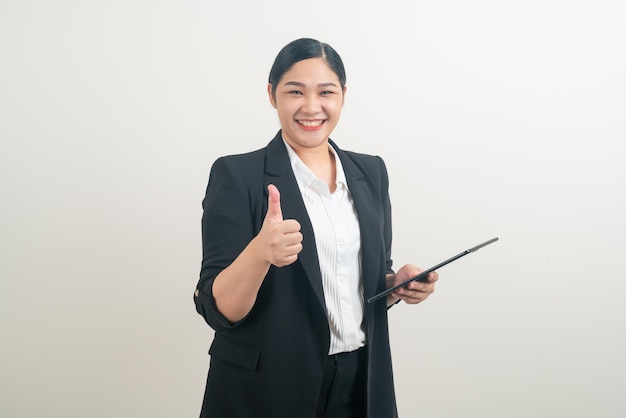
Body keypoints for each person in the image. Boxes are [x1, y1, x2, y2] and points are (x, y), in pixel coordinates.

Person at [194, 38, 438, 418]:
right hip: (267, 387)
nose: (311, 107)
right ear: (272, 95)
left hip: (361, 381)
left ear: (342, 95)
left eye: (326, 92)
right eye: (295, 91)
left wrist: (395, 285)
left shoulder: (370, 172)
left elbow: (359, 283)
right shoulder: (236, 175)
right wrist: (260, 253)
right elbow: (219, 310)